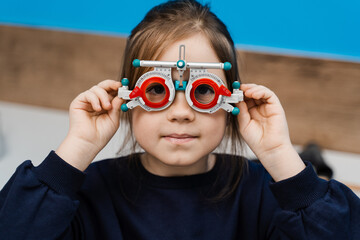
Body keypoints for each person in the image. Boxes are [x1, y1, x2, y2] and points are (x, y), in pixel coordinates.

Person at [0, 0, 359, 239]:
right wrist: (76, 148)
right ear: (128, 96)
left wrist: (280, 153)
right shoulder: (86, 194)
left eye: (203, 91)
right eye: (157, 89)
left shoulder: (265, 192)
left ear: (231, 98)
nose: (182, 111)